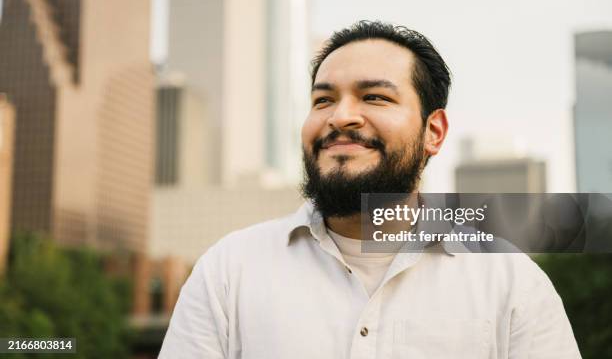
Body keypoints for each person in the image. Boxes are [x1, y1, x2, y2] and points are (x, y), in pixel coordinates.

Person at [158, 21, 581, 358]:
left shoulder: (510, 281)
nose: (341, 116)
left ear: (433, 132)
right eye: (322, 100)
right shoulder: (227, 272)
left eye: (375, 97)